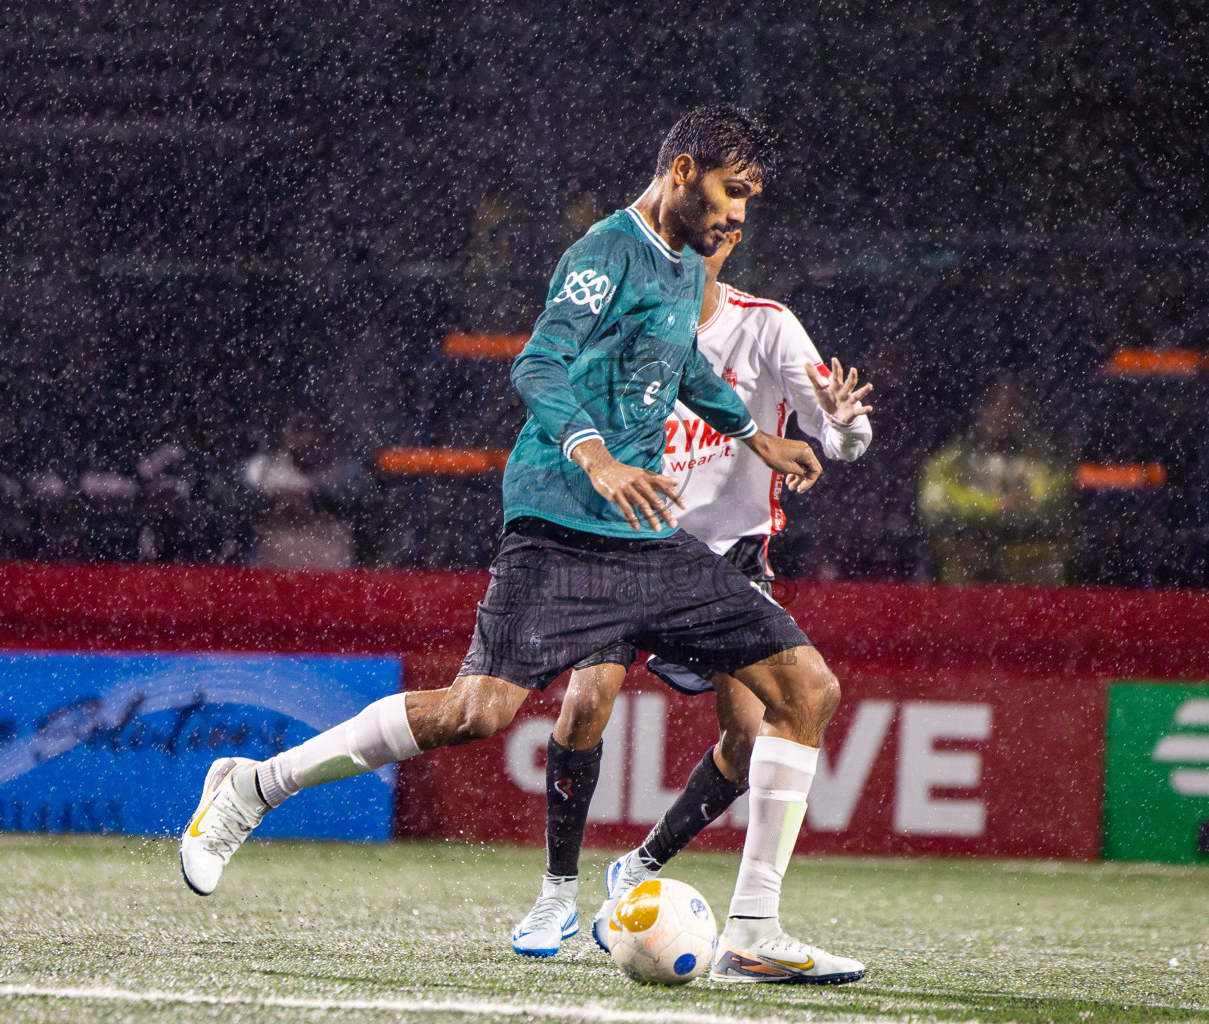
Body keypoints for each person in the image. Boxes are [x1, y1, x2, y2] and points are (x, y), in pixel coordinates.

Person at [178, 104, 866, 985]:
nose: (738, 214)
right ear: (683, 171)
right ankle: (253, 785)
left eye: (748, 200)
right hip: (558, 527)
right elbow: (537, 362)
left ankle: (754, 931)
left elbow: (681, 364)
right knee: (476, 713)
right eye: (732, 192)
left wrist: (751, 433)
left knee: (808, 690)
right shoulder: (603, 253)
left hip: (646, 537)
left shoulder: (677, 264)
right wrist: (597, 457)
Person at [510, 228, 874, 958]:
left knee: (750, 733)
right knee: (586, 704)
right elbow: (548, 377)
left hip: (728, 558)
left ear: (729, 241)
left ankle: (640, 866)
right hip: (632, 543)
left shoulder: (767, 326)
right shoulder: (631, 315)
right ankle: (555, 896)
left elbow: (840, 443)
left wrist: (844, 423)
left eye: (726, 225)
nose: (706, 239)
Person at [917, 374, 1074, 584]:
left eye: (1012, 406)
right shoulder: (955, 458)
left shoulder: (1042, 456)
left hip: (1030, 560)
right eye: (993, 405)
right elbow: (934, 501)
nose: (1001, 414)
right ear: (979, 408)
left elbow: (1056, 501)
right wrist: (991, 506)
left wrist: (1015, 513)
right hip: (967, 557)